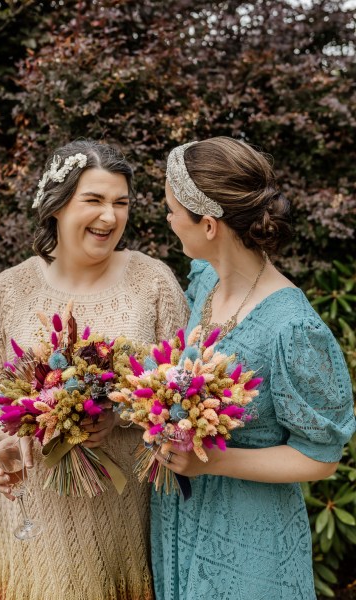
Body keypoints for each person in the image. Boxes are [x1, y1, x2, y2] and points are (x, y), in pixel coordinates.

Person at [0, 139, 189, 600]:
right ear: (57, 204)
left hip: (124, 510)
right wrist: (12, 435)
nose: (110, 217)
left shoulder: (153, 283)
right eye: (94, 200)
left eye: (121, 203)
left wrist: (119, 416)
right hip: (36, 509)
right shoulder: (11, 289)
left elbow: (181, 391)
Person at [151, 137, 356, 600]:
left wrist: (218, 461)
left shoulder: (293, 328)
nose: (167, 219)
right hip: (182, 514)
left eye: (172, 209)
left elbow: (322, 457)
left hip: (250, 539)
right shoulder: (206, 280)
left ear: (208, 225)